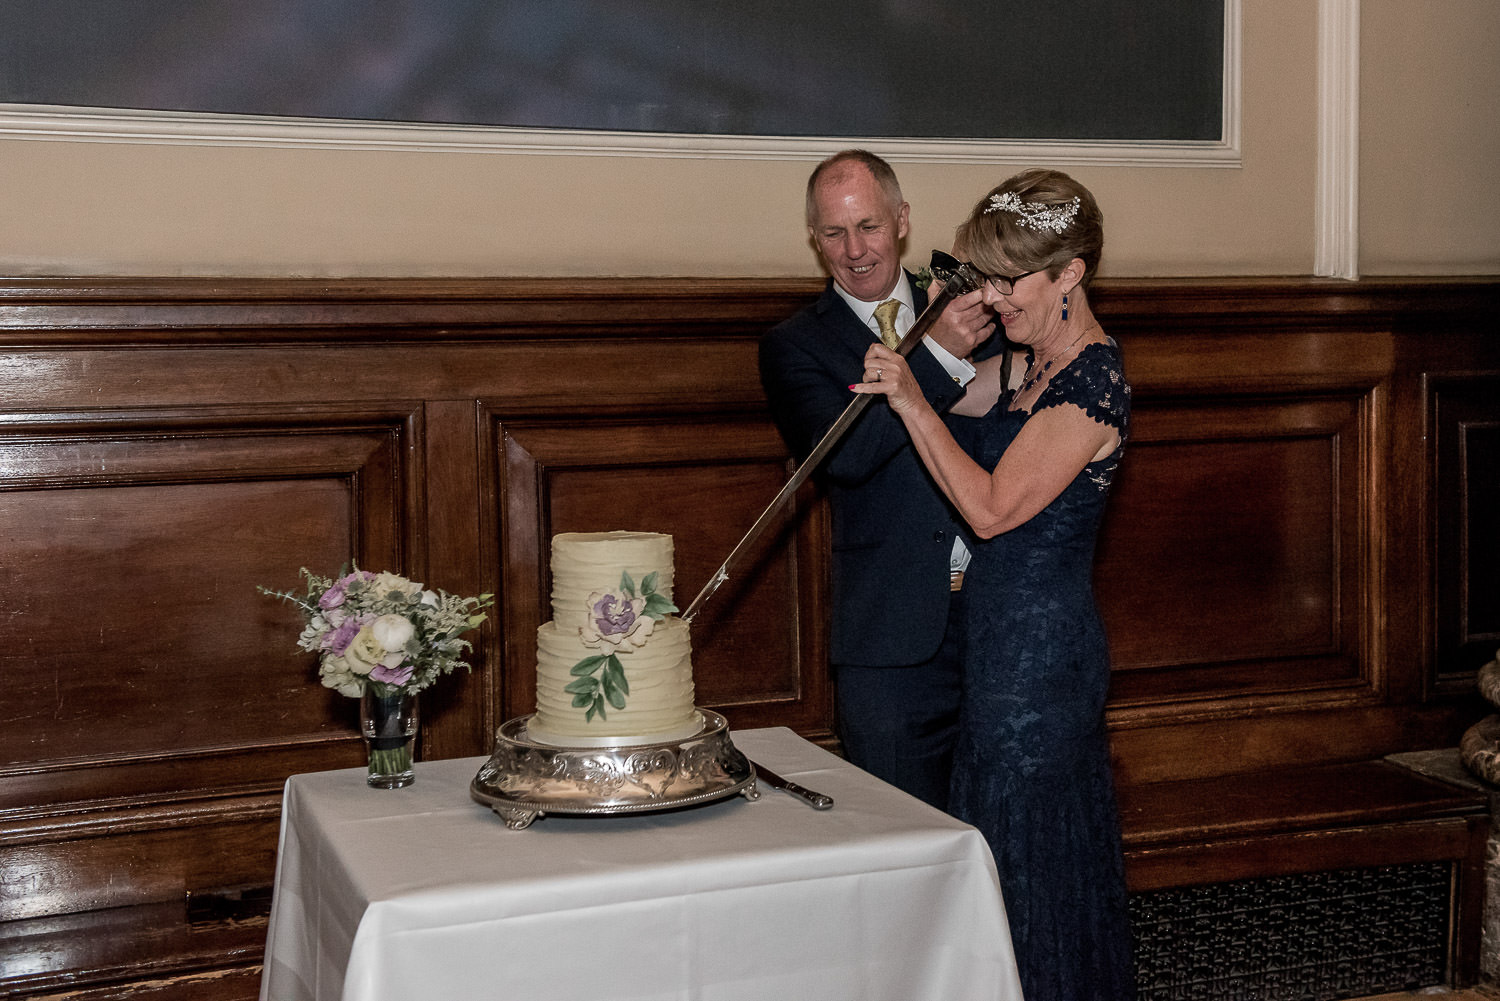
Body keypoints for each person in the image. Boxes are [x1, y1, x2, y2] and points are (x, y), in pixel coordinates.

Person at [851, 168, 1135, 1000]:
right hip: (994, 654)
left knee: (1033, 867)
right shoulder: (1026, 367)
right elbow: (947, 385)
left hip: (1041, 670)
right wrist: (933, 334)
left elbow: (989, 508)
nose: (1001, 297)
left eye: (1016, 280)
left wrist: (911, 399)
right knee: (996, 854)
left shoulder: (1093, 383)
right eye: (989, 275)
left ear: (1071, 274)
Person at [758, 149, 998, 811]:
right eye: (833, 233)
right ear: (814, 239)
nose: (855, 249)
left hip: (1001, 622)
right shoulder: (795, 345)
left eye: (867, 226)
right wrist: (943, 356)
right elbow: (850, 454)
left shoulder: (978, 308)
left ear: (901, 221)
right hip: (890, 647)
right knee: (905, 846)